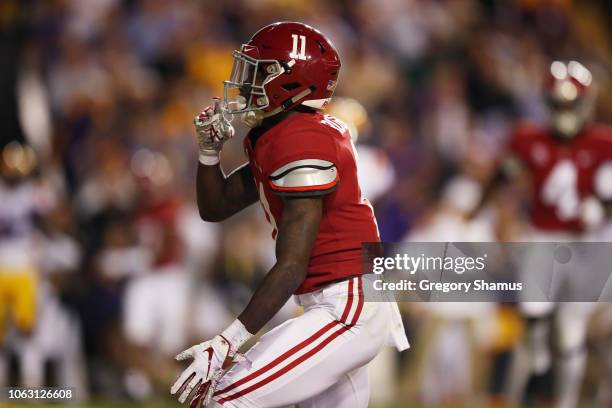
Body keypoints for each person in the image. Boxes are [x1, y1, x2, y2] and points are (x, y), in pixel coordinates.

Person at [170, 22, 408, 408]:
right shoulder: (282, 133)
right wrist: (209, 154)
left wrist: (228, 339)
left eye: (260, 72)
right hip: (337, 301)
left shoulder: (302, 139)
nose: (245, 83)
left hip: (346, 307)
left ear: (293, 82)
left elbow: (292, 264)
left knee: (227, 397)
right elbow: (216, 207)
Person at [473, 60, 612, 408]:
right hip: (540, 237)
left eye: (570, 103)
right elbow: (502, 176)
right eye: (558, 103)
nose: (565, 111)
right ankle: (536, 374)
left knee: (569, 333)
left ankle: (563, 401)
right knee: (533, 317)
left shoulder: (603, 143)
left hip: (586, 246)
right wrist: (476, 211)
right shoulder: (527, 137)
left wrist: (603, 208)